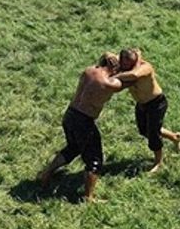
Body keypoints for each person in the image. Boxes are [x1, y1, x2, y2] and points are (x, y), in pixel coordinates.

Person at [36, 53, 127, 203]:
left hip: (70, 115)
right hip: (84, 122)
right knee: (95, 160)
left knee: (73, 147)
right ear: (114, 67)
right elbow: (129, 80)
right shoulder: (110, 83)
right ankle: (88, 197)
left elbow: (105, 60)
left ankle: (46, 173)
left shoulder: (88, 71)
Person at [112, 48, 180, 173]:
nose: (125, 67)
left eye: (129, 64)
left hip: (156, 103)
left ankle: (158, 162)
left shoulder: (146, 67)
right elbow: (108, 55)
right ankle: (174, 137)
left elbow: (134, 75)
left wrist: (115, 76)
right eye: (124, 64)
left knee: (153, 134)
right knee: (144, 130)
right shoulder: (123, 64)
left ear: (135, 61)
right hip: (141, 104)